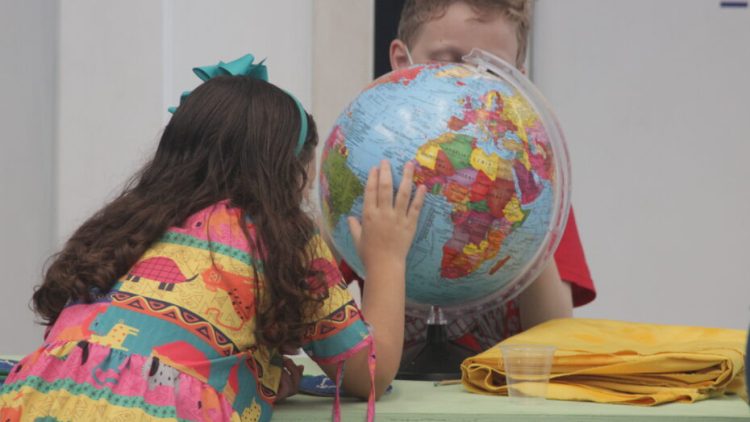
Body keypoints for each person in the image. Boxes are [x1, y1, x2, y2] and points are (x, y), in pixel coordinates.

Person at [0, 54, 425, 422]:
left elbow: (132, 358)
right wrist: (386, 257)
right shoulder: (283, 238)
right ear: (289, 171)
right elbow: (369, 372)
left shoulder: (122, 226)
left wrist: (256, 376)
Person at [341, 0, 596, 353]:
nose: (467, 82)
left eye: (492, 71)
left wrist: (530, 213)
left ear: (516, 81)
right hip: (394, 391)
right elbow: (308, 302)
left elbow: (552, 333)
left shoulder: (535, 187)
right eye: (447, 60)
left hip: (496, 397)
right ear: (402, 62)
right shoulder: (369, 165)